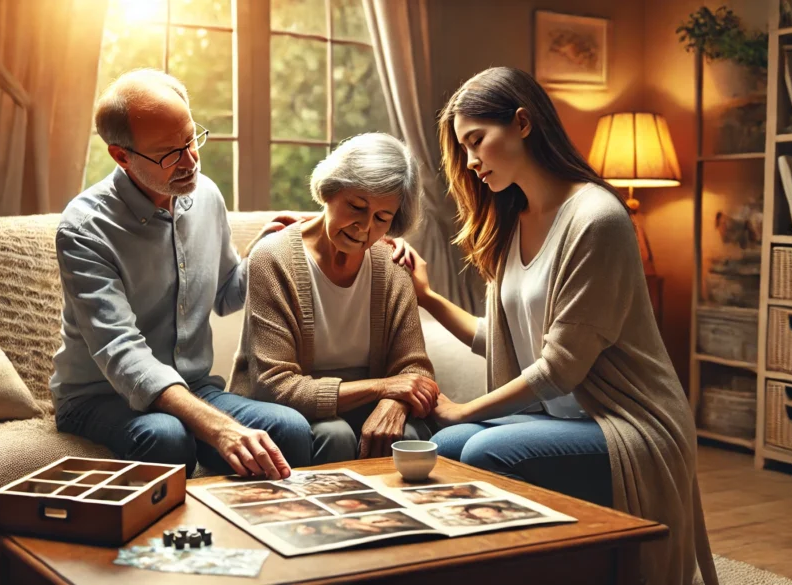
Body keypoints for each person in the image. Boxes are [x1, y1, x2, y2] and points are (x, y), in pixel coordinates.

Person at [403, 67, 717, 585]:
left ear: (522, 123)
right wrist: (428, 297)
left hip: (628, 423)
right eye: (463, 149)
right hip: (567, 420)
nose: (470, 161)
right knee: (453, 448)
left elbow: (558, 369)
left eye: (476, 141)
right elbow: (501, 340)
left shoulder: (597, 218)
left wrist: (461, 409)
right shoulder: (514, 221)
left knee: (479, 447)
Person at [50, 69, 313, 480]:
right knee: (167, 436)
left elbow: (227, 294)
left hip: (194, 386)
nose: (190, 160)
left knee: (292, 432)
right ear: (122, 156)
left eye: (191, 139)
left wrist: (268, 248)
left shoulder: (204, 195)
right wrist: (219, 428)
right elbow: (122, 353)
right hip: (101, 397)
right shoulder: (85, 229)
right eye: (168, 153)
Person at [228, 133, 439, 463]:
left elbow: (415, 370)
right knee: (334, 433)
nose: (364, 228)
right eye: (356, 207)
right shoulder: (272, 258)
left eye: (382, 218)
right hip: (287, 409)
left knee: (408, 434)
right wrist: (384, 388)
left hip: (365, 407)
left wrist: (393, 403)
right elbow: (275, 385)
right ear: (330, 190)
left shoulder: (394, 265)